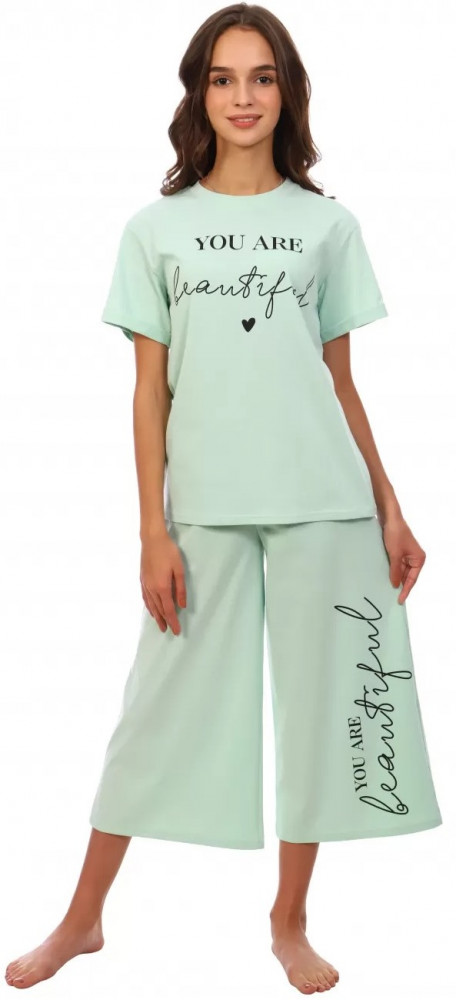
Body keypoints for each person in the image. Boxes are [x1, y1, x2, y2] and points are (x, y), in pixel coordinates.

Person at [5, 3, 442, 994]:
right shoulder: (155, 230)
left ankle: (289, 919)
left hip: (326, 505)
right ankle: (82, 918)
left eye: (262, 77)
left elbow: (339, 382)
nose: (244, 96)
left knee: (327, 714)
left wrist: (389, 504)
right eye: (222, 78)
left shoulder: (329, 226)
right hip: (203, 511)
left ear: (288, 91)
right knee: (153, 714)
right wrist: (151, 528)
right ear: (198, 94)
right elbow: (147, 392)